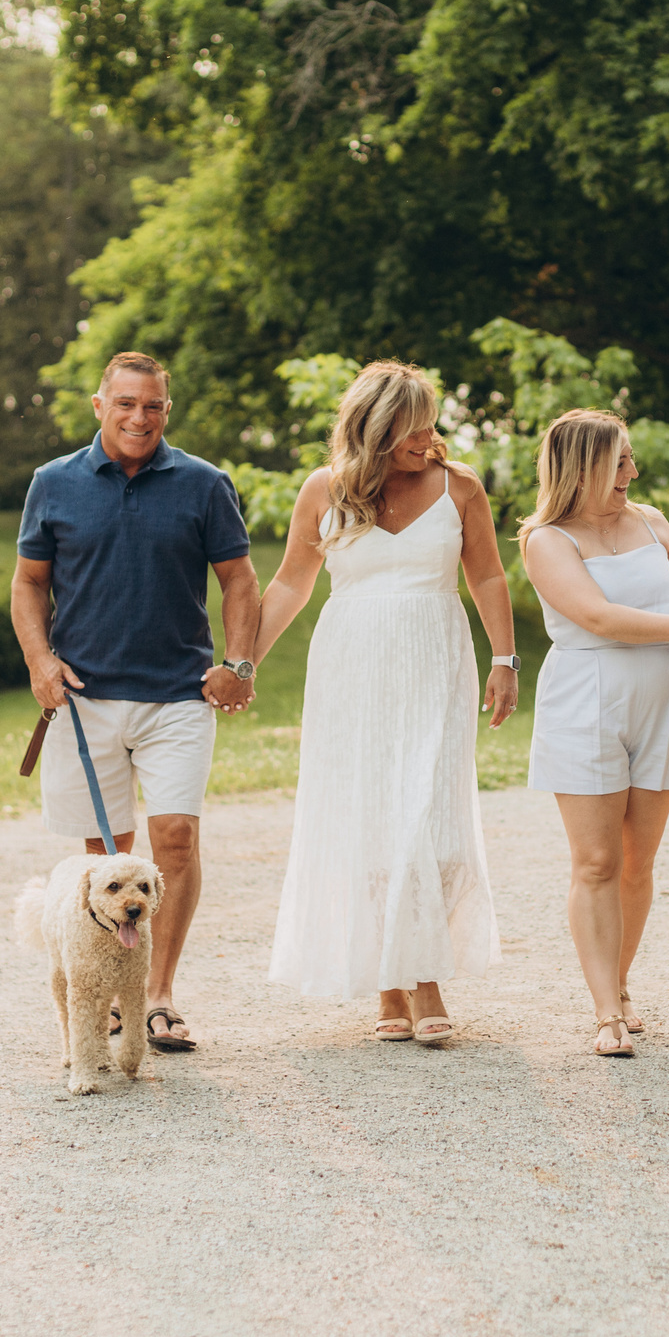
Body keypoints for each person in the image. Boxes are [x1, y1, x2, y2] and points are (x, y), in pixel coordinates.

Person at [254, 361, 520, 1044]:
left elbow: (488, 575)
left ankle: (421, 968)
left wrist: (505, 659)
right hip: (353, 670)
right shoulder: (324, 490)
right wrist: (242, 661)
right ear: (372, 430)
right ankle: (397, 983)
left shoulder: (460, 485)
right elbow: (290, 584)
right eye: (410, 428)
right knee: (370, 823)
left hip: (436, 660)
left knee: (437, 823)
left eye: (430, 424)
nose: (427, 438)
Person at [12, 351, 261, 1056]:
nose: (139, 417)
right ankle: (111, 994)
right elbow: (29, 583)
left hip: (177, 696)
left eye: (152, 405)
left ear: (166, 411)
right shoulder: (53, 482)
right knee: (107, 859)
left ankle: (157, 994)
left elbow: (240, 580)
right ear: (100, 405)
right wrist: (39, 660)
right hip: (84, 698)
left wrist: (238, 664)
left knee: (175, 838)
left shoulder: (204, 483)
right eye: (125, 403)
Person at [520, 410, 669, 1056]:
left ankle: (619, 983)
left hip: (660, 696)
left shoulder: (651, 522)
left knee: (638, 861)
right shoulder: (546, 539)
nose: (633, 472)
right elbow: (598, 616)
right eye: (619, 461)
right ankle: (604, 1013)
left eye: (629, 459)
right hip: (584, 698)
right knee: (597, 860)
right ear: (582, 466)